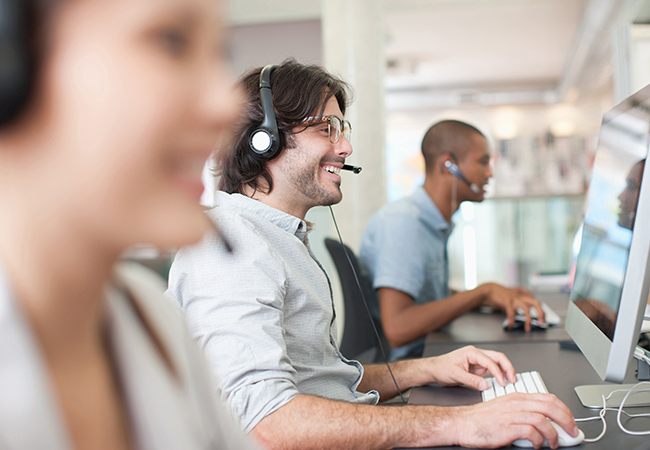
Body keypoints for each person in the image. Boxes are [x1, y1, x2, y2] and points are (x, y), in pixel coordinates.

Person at [167, 60, 579, 449]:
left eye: (341, 128)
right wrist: (458, 423)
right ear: (265, 139)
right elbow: (265, 422)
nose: (345, 146)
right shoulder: (227, 247)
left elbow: (326, 381)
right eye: (327, 129)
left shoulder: (277, 239)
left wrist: (427, 368)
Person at [0, 0, 260, 449]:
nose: (226, 104)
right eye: (170, 40)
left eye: (220, 54)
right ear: (14, 65)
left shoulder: (151, 319)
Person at [359, 120, 546, 360]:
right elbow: (398, 328)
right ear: (448, 165)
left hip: (429, 351)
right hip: (409, 366)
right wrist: (482, 292)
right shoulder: (404, 223)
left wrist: (489, 298)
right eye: (483, 162)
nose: (490, 173)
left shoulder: (431, 221)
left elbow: (429, 297)